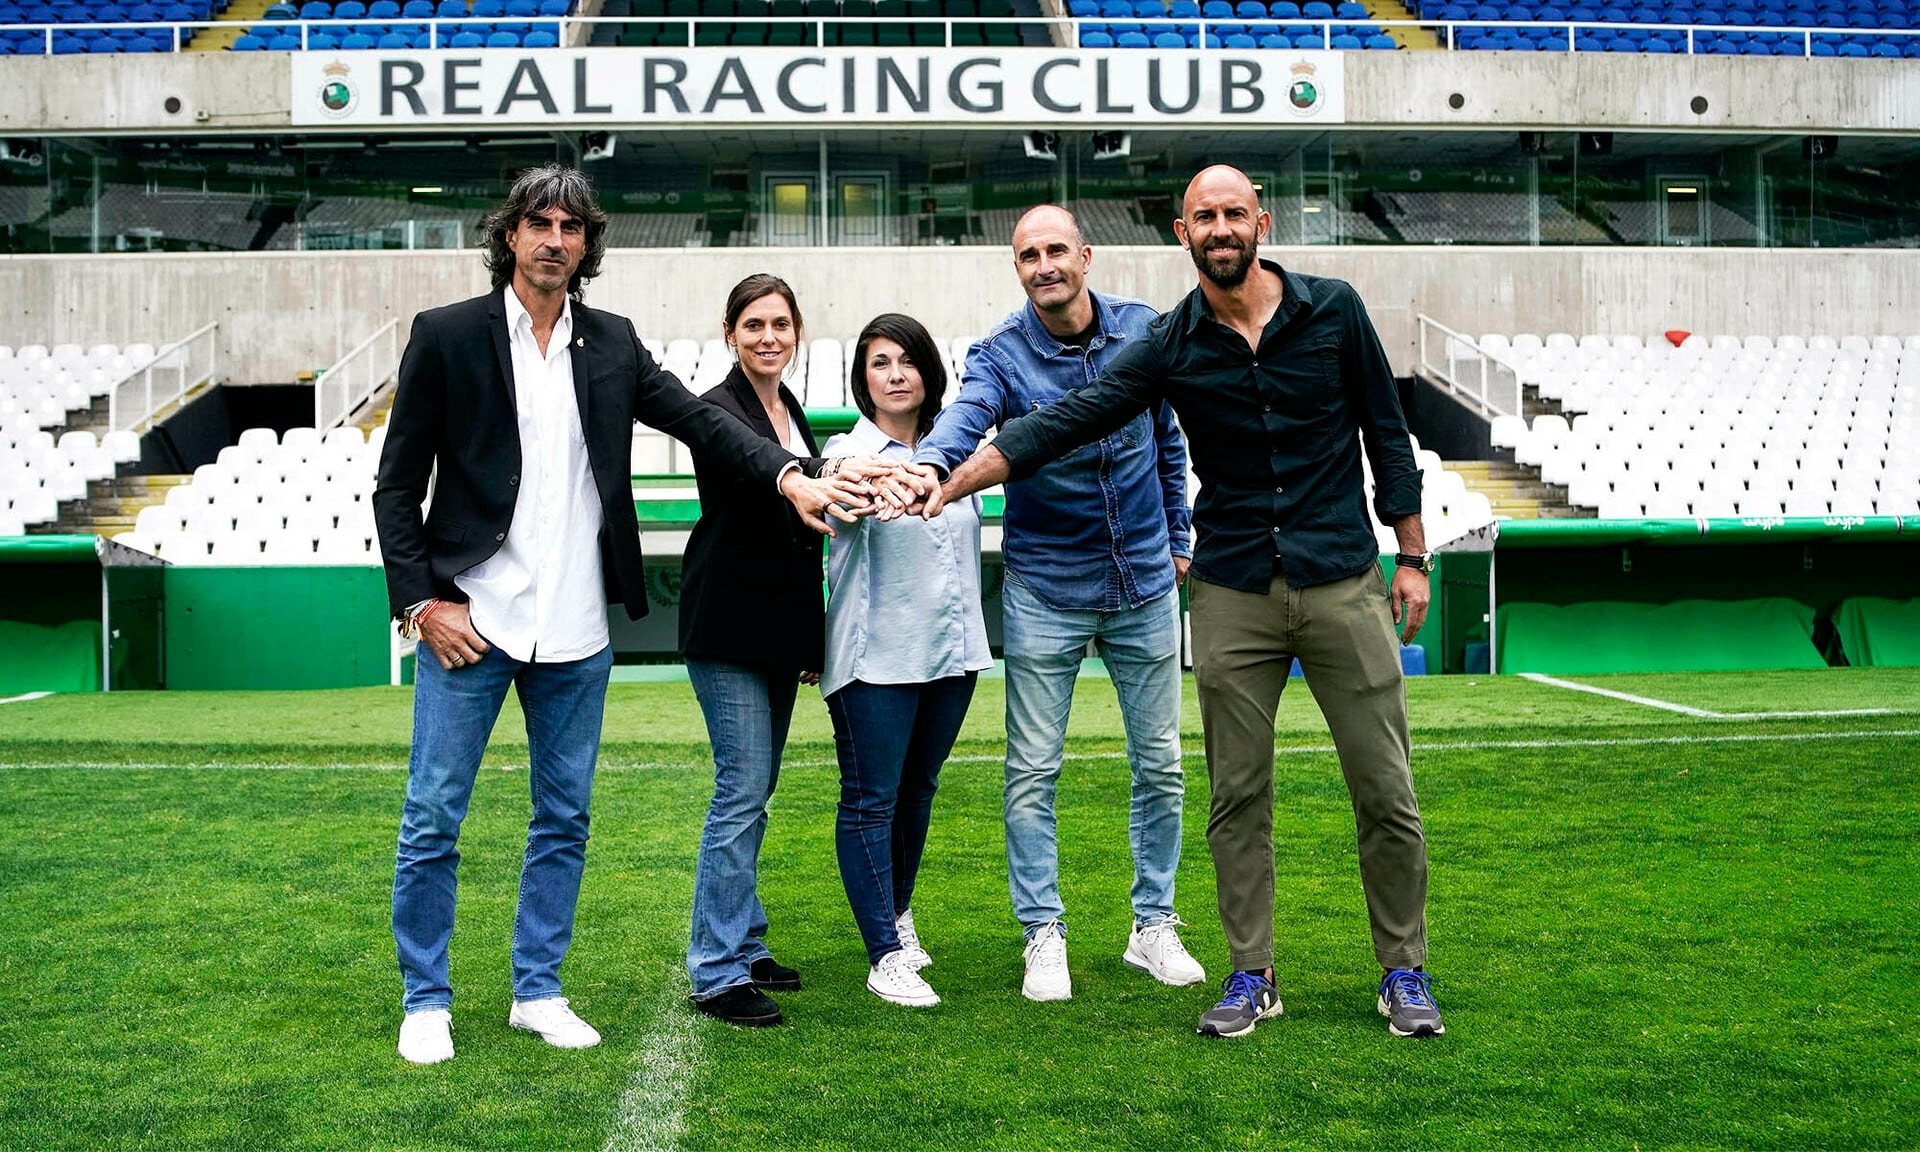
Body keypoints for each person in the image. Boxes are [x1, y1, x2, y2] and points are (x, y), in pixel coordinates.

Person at [915, 166, 1444, 1040]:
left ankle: (1404, 971)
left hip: (1344, 578)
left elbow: (1386, 433)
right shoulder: (1169, 342)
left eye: (1235, 213)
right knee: (1237, 796)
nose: (1221, 227)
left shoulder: (1336, 310)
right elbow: (1065, 422)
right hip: (1232, 590)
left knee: (1384, 789)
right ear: (1181, 232)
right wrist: (949, 479)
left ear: (1261, 222)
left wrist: (1413, 551)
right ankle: (1252, 974)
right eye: (1205, 217)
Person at [373, 168, 864, 1065]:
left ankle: (538, 989)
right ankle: (426, 997)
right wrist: (420, 603)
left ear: (588, 244)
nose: (556, 239)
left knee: (564, 818)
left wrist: (791, 475)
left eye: (572, 226)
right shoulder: (445, 337)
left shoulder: (613, 342)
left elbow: (703, 422)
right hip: (470, 621)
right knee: (434, 816)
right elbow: (397, 485)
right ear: (510, 235)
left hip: (575, 631)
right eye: (539, 223)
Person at [901, 205, 1202, 1003]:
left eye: (1056, 250)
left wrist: (1179, 539)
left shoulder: (1146, 330)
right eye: (1028, 254)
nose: (1044, 265)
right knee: (1032, 771)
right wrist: (931, 465)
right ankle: (1043, 933)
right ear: (1019, 267)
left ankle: (1154, 927)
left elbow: (1170, 439)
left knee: (1162, 766)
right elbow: (964, 420)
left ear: (1086, 255)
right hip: (1045, 587)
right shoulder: (999, 355)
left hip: (1143, 581)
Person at [679, 274, 895, 1027]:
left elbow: (803, 542)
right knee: (740, 790)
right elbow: (760, 497)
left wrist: (806, 638)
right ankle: (716, 971)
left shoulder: (790, 409)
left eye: (780, 324)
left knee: (756, 791)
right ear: (730, 332)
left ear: (796, 332)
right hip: (729, 624)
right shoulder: (716, 408)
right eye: (753, 324)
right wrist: (823, 480)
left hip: (775, 628)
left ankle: (744, 940)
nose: (768, 336)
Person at [821, 313, 993, 1009]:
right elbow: (841, 496)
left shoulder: (954, 451)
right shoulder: (847, 450)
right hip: (874, 662)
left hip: (951, 657)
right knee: (871, 800)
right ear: (863, 380)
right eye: (879, 363)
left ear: (928, 371)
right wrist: (866, 485)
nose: (895, 375)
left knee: (917, 793)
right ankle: (883, 956)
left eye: (907, 361)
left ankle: (897, 912)